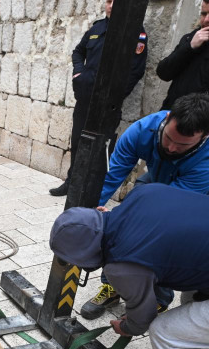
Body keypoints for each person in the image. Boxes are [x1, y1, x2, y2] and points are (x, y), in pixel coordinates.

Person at [49, 183, 209, 349]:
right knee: (193, 313)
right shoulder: (140, 194)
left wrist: (125, 326)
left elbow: (143, 317)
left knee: (167, 332)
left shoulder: (120, 265)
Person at [79, 92, 209, 319]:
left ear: (204, 137)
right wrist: (89, 214)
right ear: (167, 118)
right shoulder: (141, 131)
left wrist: (123, 223)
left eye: (182, 145)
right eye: (168, 138)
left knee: (163, 239)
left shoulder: (205, 162)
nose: (170, 148)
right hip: (155, 180)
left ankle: (157, 299)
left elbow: (167, 212)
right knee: (120, 225)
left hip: (189, 197)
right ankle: (112, 286)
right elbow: (110, 178)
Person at [50, 0, 148, 196]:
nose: (111, 6)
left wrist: (113, 96)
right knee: (77, 142)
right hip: (85, 100)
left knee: (102, 147)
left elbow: (135, 71)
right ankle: (72, 183)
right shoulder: (96, 29)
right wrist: (79, 74)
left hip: (107, 106)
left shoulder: (135, 34)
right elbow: (78, 52)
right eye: (109, 1)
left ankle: (94, 190)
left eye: (116, 1)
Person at [156, 0, 209, 109]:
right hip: (171, 114)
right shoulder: (190, 38)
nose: (206, 20)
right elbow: (163, 72)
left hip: (198, 122)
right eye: (204, 14)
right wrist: (190, 47)